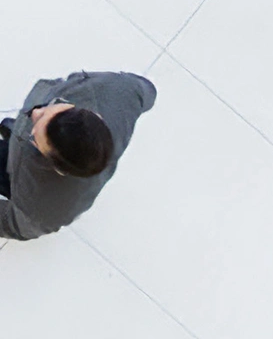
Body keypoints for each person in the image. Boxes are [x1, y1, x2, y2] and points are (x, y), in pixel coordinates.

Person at [0, 70, 156, 240]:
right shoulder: (122, 90)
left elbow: (16, 224)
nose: (35, 112)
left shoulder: (44, 207)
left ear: (58, 169)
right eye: (55, 106)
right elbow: (147, 90)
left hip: (25, 181)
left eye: (35, 137)